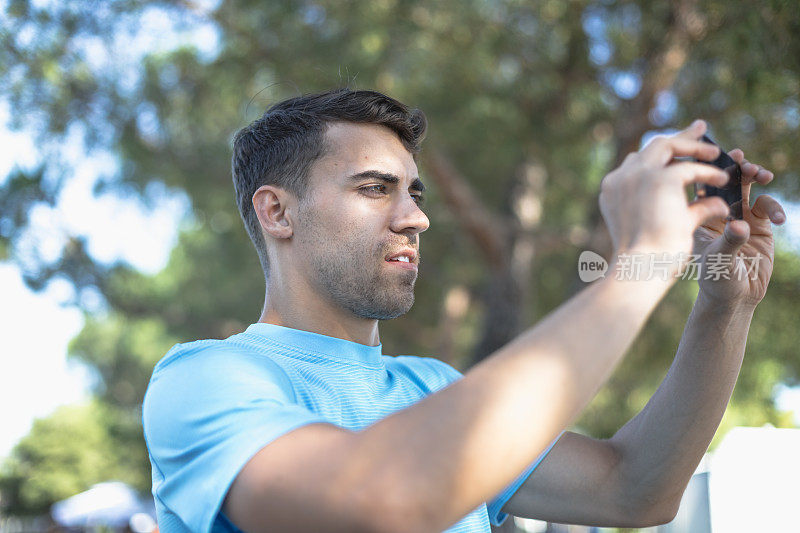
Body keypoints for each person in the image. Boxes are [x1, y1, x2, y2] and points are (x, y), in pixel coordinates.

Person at [142, 88, 786, 533]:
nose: (416, 217)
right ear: (276, 211)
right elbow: (377, 503)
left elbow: (635, 489)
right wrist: (640, 262)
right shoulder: (204, 379)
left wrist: (723, 307)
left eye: (414, 194)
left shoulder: (433, 388)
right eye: (374, 188)